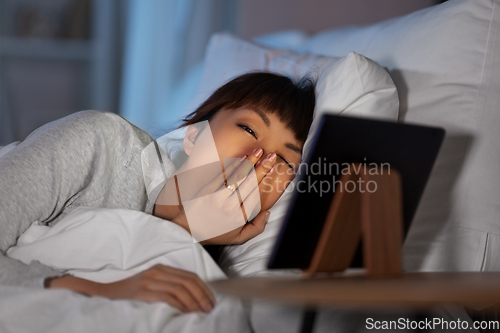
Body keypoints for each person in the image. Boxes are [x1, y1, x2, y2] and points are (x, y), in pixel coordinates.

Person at [0, 72, 315, 314]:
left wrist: (188, 234)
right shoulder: (102, 143)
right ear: (193, 136)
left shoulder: (210, 280)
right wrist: (94, 288)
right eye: (248, 129)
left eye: (284, 160)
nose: (257, 158)